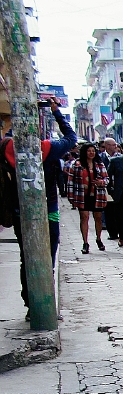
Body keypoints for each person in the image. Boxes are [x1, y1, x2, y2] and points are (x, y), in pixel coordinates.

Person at [1, 100, 77, 296]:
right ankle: (44, 296)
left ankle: (29, 301)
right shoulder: (47, 148)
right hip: (49, 209)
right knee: (48, 254)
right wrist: (56, 112)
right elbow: (71, 137)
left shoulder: (6, 147)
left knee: (25, 256)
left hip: (18, 211)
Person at [66, 141, 107, 255]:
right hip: (81, 195)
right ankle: (85, 242)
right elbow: (70, 181)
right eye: (89, 151)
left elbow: (107, 179)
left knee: (98, 217)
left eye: (93, 151)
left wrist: (101, 182)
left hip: (97, 195)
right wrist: (71, 196)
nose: (91, 153)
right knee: (84, 217)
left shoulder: (99, 164)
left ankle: (98, 239)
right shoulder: (76, 164)